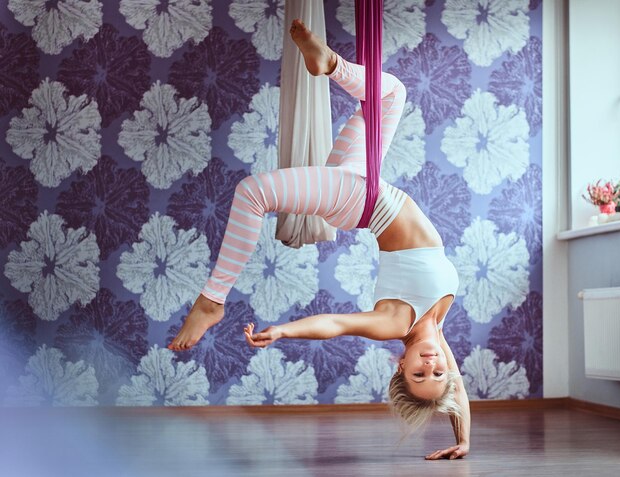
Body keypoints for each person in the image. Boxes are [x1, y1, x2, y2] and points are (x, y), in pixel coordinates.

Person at [168, 19, 470, 459]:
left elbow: (334, 325)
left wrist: (285, 331)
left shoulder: (396, 325)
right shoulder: (436, 332)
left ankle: (213, 300)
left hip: (362, 202)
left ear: (400, 366)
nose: (431, 367)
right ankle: (330, 64)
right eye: (438, 374)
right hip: (360, 181)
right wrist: (462, 440)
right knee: (391, 94)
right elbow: (458, 393)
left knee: (253, 193)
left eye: (418, 376)